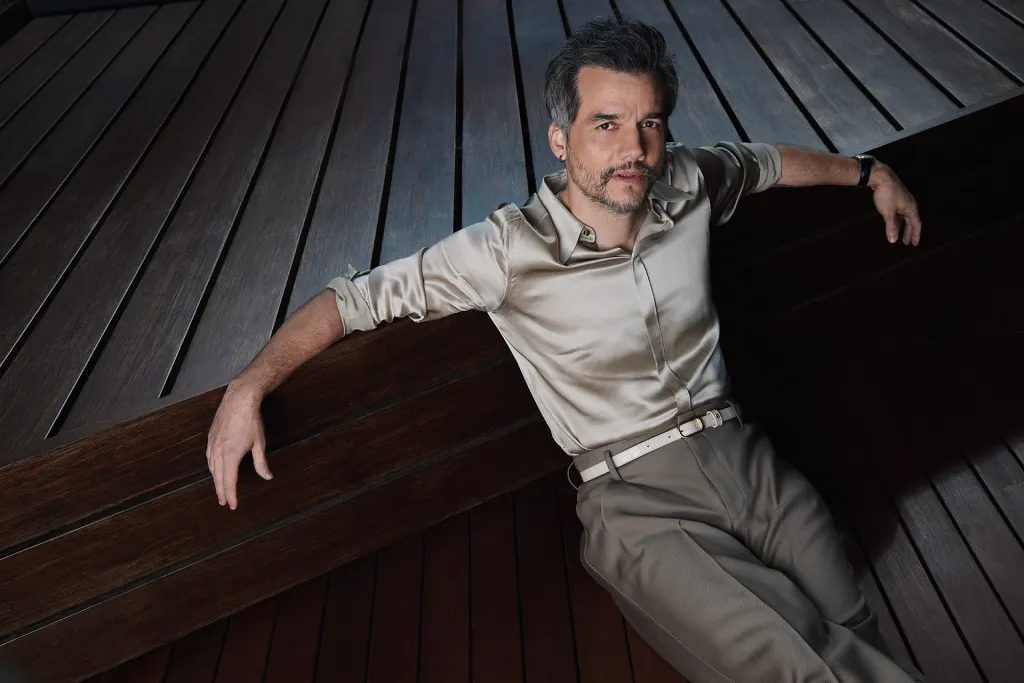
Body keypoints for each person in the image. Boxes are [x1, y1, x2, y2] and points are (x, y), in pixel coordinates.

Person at [207, 17, 925, 683]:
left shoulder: (687, 178)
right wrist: (249, 385)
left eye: (649, 124)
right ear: (561, 138)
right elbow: (352, 300)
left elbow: (765, 163)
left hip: (743, 453)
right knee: (804, 669)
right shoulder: (505, 250)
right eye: (606, 125)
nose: (633, 149)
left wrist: (870, 172)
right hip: (635, 496)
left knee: (854, 623)